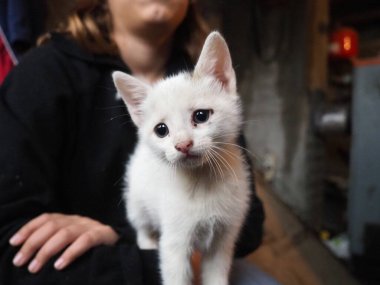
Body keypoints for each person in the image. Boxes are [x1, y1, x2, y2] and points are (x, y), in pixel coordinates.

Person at [0, 0, 279, 284]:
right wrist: (144, 254)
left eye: (199, 116)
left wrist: (175, 254)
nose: (183, 142)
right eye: (161, 130)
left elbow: (249, 222)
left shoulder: (199, 79)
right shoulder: (42, 75)